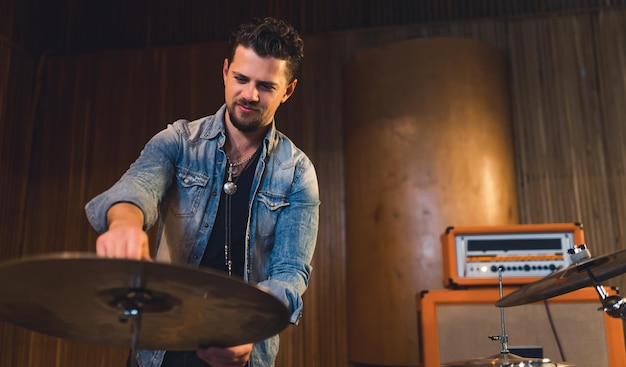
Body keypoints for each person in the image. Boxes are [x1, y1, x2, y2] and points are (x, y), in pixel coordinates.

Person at [85, 17, 320, 367]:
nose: (249, 95)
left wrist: (252, 327)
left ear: (288, 90)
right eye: (241, 79)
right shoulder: (178, 142)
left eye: (267, 86)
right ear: (225, 71)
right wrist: (123, 224)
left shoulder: (298, 173)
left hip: (241, 351)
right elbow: (136, 188)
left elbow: (289, 273)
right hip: (157, 348)